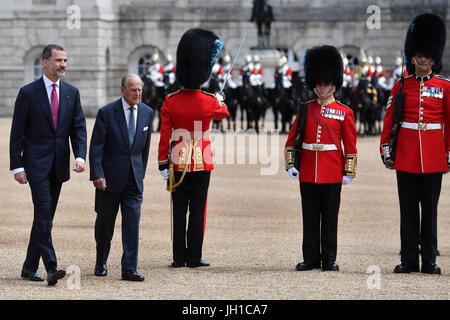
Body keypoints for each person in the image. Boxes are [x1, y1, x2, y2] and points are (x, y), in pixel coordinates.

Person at [9, 44, 87, 286]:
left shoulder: (71, 92)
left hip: (60, 165)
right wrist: (17, 166)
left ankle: (28, 267)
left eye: (65, 60)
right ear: (45, 63)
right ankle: (51, 267)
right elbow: (17, 133)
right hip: (35, 165)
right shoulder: (28, 92)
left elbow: (78, 128)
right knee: (44, 213)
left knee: (44, 219)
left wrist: (80, 156)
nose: (63, 64)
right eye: (58, 60)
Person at [380, 13, 448, 274]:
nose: (423, 59)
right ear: (413, 56)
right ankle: (409, 259)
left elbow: (449, 124)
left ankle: (429, 260)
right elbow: (389, 122)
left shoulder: (444, 87)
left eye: (427, 56)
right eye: (419, 55)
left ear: (433, 58)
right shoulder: (401, 85)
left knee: (430, 212)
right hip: (406, 155)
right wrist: (387, 151)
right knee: (407, 211)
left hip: (433, 157)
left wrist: (449, 153)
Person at [158, 28, 229, 268]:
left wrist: (162, 164)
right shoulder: (209, 101)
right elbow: (224, 112)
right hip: (202, 159)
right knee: (198, 209)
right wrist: (219, 99)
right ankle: (194, 257)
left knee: (179, 209)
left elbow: (164, 136)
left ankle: (178, 257)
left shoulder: (171, 100)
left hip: (177, 161)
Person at [284, 45, 357, 272]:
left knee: (330, 219)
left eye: (326, 83)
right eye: (319, 83)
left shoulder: (344, 112)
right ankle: (310, 258)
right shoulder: (306, 109)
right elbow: (292, 139)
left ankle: (328, 259)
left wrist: (349, 170)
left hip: (332, 171)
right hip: (308, 169)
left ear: (334, 84)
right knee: (310, 217)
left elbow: (350, 145)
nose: (322, 86)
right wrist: (290, 165)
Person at [89, 74, 154, 281]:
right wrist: (97, 174)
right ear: (122, 90)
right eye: (133, 89)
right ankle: (101, 261)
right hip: (109, 180)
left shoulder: (147, 112)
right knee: (105, 224)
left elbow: (144, 149)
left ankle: (129, 269)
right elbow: (96, 147)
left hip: (134, 180)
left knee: (132, 225)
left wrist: (140, 174)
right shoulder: (107, 113)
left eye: (140, 89)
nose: (138, 93)